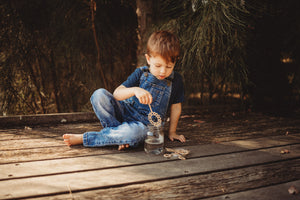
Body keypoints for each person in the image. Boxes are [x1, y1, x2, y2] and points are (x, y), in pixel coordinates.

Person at [63, 30, 186, 150]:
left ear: (175, 62)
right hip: (125, 112)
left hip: (145, 126)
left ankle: (87, 138)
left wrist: (172, 132)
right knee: (99, 95)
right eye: (158, 66)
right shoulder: (141, 73)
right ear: (148, 59)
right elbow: (117, 94)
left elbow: (176, 107)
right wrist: (135, 90)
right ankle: (119, 135)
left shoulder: (176, 80)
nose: (163, 71)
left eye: (169, 66)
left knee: (133, 134)